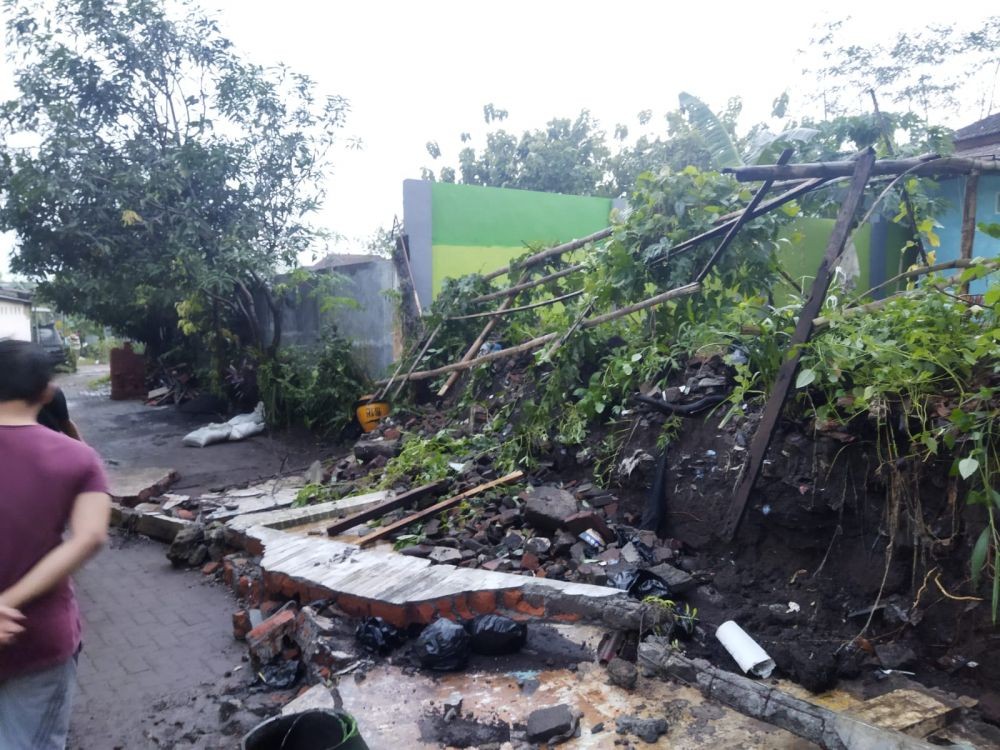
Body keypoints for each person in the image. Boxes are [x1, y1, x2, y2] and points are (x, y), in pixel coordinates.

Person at [0, 340, 110, 749]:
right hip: (37, 638)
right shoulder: (79, 461)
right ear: (46, 392)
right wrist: (9, 600)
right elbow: (90, 536)